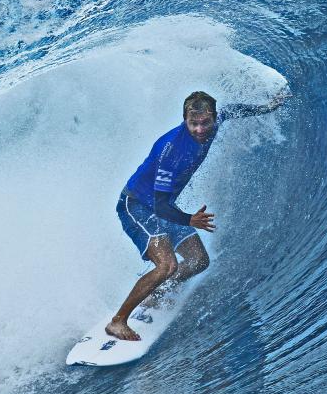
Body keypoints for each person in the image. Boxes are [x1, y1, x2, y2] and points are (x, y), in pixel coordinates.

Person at [106, 87, 289, 340]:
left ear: (213, 117)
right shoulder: (171, 150)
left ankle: (154, 294)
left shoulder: (216, 122)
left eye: (205, 122)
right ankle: (118, 321)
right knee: (167, 265)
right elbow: (159, 206)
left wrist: (269, 106)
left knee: (198, 261)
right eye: (193, 124)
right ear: (184, 120)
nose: (200, 130)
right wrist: (189, 219)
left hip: (164, 208)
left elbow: (234, 111)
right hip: (137, 206)